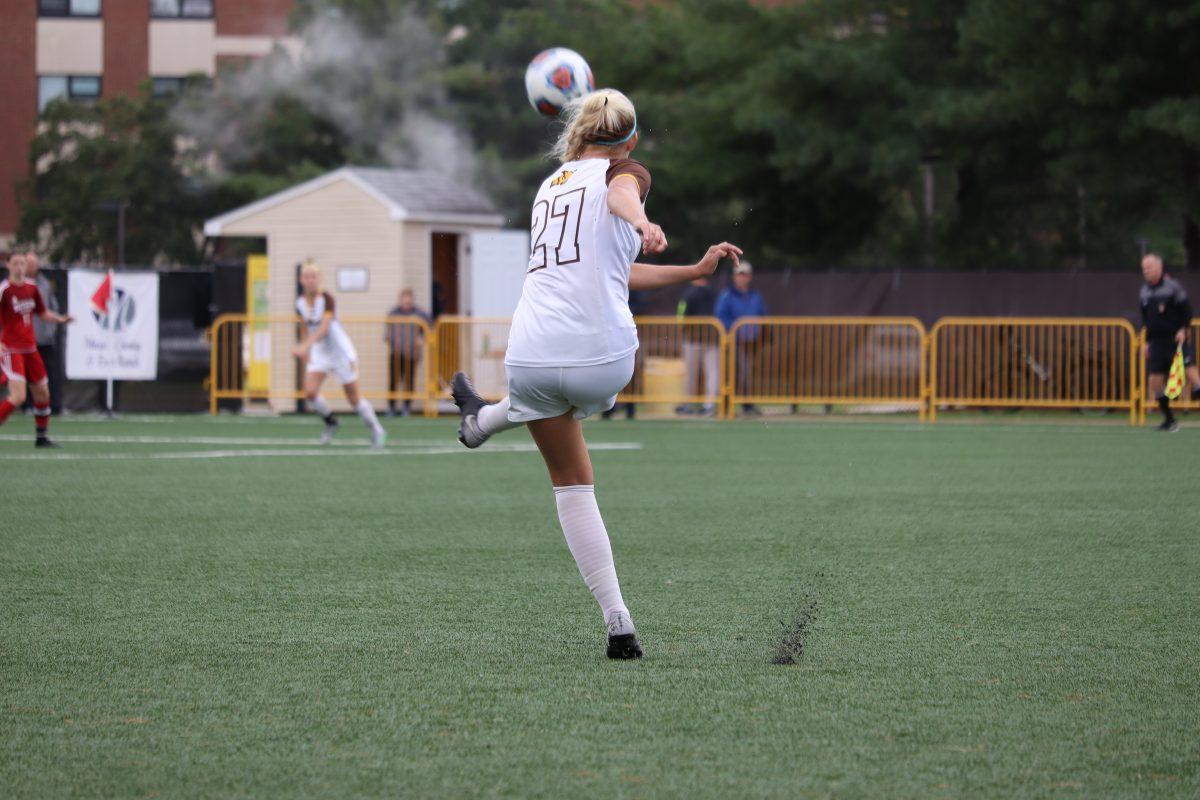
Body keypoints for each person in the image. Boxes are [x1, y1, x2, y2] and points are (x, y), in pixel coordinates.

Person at [447, 88, 742, 659]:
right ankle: (480, 421)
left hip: (529, 350)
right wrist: (646, 221)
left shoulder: (546, 187)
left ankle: (619, 623)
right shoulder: (626, 169)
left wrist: (692, 271)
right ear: (628, 140)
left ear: (579, 135)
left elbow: (614, 268)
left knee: (570, 481)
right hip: (603, 360)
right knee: (566, 411)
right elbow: (621, 196)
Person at [293, 260, 386, 448]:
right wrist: (307, 349)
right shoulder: (300, 302)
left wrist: (305, 345)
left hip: (340, 353)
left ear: (319, 279)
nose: (310, 280)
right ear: (301, 280)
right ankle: (331, 422)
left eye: (313, 276)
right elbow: (305, 326)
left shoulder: (327, 299)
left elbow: (325, 327)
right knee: (310, 393)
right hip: (320, 353)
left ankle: (377, 429)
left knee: (353, 398)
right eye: (306, 276)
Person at [0, 253, 74, 447]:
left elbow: (42, 312)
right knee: (19, 396)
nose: (19, 267)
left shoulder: (32, 288)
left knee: (43, 394)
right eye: (15, 263)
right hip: (11, 349)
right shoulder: (4, 290)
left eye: (22, 263)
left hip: (31, 349)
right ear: (7, 265)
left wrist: (60, 319)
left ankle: (41, 437)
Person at [1140, 253, 1200, 432]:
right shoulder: (1144, 291)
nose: (1146, 271)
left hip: (1175, 339)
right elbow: (1147, 320)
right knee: (1154, 382)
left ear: (1159, 268)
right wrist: (1147, 342)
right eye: (1144, 268)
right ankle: (1170, 421)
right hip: (1157, 342)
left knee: (1191, 375)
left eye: (1149, 267)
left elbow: (1187, 312)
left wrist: (1183, 329)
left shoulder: (1173, 287)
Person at [716, 260, 767, 415]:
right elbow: (720, 317)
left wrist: (761, 332)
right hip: (734, 342)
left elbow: (763, 316)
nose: (742, 278)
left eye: (745, 275)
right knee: (734, 373)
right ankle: (729, 405)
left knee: (746, 373)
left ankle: (745, 404)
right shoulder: (727, 296)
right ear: (734, 277)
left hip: (753, 343)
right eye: (739, 274)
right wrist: (737, 329)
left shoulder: (756, 296)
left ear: (750, 277)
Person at [22, 252, 65, 415]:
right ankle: (27, 406)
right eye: (28, 263)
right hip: (23, 340)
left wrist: (57, 323)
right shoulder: (14, 286)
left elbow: (47, 310)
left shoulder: (45, 284)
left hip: (44, 339)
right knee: (23, 376)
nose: (31, 266)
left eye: (34, 263)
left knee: (47, 374)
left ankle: (52, 406)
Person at [676, 275, 719, 415]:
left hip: (692, 339)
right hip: (713, 338)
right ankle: (710, 405)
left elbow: (681, 316)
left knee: (690, 373)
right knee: (712, 373)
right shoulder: (715, 293)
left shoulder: (688, 294)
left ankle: (688, 404)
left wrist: (682, 328)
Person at [384, 288, 431, 417]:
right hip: (396, 352)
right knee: (393, 380)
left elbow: (430, 328)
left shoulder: (420, 313)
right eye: (404, 301)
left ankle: (406, 407)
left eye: (408, 301)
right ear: (400, 300)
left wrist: (422, 339)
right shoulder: (393, 313)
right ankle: (392, 407)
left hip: (412, 353)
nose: (406, 303)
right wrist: (389, 339)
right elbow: (387, 331)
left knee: (409, 381)